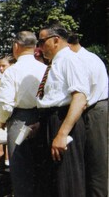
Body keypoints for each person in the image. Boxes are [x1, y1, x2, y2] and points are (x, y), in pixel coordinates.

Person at [37, 24, 89, 197]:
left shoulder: (69, 60)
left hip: (63, 121)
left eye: (42, 41)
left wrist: (62, 133)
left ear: (56, 40)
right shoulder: (55, 63)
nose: (39, 47)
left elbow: (79, 98)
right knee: (54, 182)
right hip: (51, 121)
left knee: (67, 181)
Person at [0, 31, 47, 196]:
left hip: (20, 120)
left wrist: (2, 120)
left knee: (20, 170)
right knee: (41, 169)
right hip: (44, 120)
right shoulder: (45, 69)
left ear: (16, 46)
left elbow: (5, 104)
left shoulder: (12, 72)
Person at [68, 32, 108, 197]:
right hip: (93, 108)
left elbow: (82, 96)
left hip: (94, 111)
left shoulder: (82, 61)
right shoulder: (90, 57)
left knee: (97, 163)